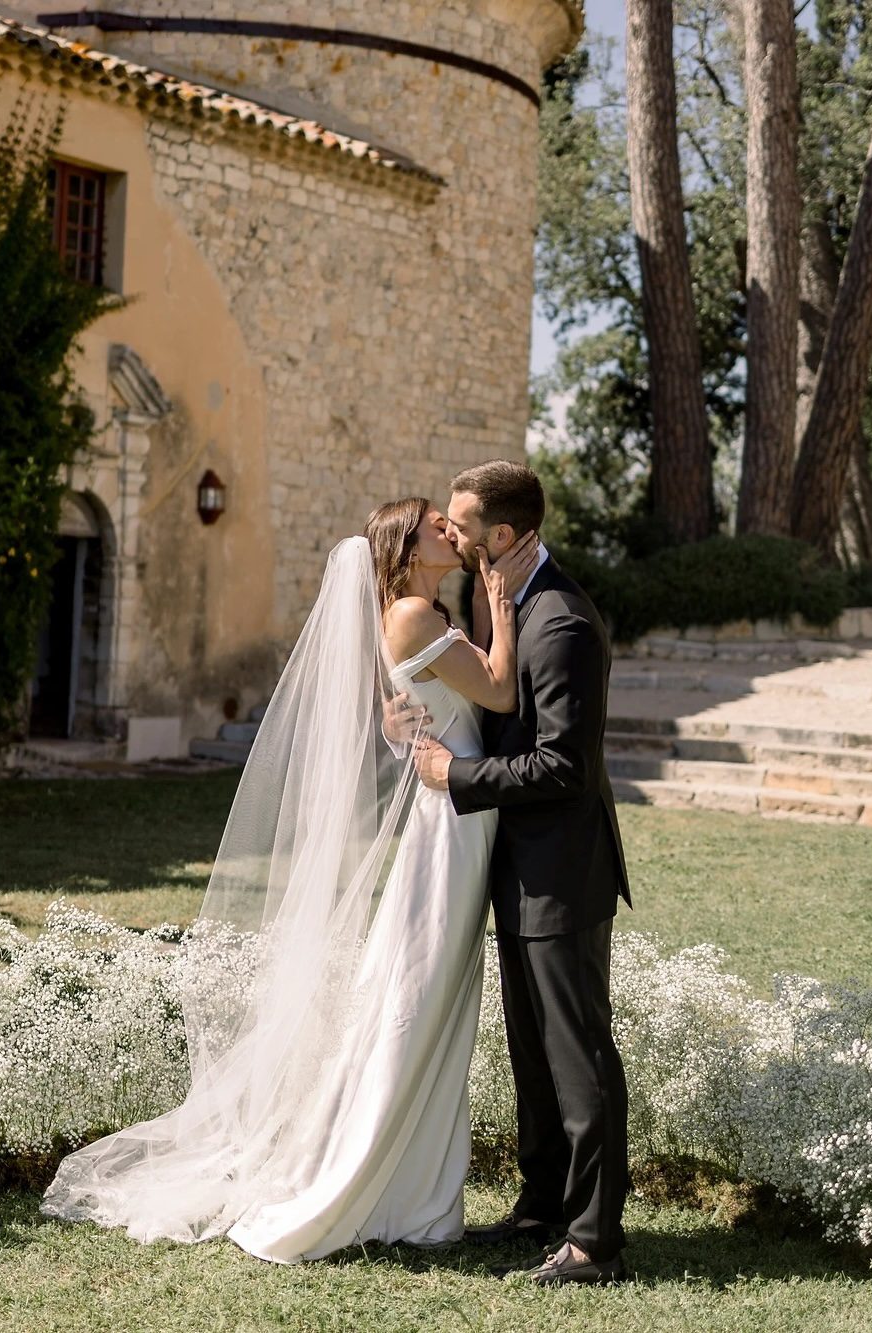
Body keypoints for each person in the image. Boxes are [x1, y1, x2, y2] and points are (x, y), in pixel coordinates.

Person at [41, 496, 539, 1262]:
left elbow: (411, 712)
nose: (449, 528)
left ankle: (414, 1191)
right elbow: (500, 691)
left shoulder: (425, 612)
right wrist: (501, 607)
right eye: (434, 524)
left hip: (457, 815)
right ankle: (357, 1179)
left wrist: (410, 709)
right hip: (451, 823)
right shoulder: (413, 614)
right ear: (407, 550)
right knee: (416, 999)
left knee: (429, 998)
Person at [413, 460, 633, 1287]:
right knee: (534, 1054)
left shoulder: (562, 620)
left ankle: (594, 1241)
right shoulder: (510, 601)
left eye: (463, 523)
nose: (451, 530)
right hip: (517, 868)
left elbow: (563, 767)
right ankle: (542, 1205)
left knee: (578, 1057)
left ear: (501, 535)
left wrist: (455, 776)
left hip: (561, 874)